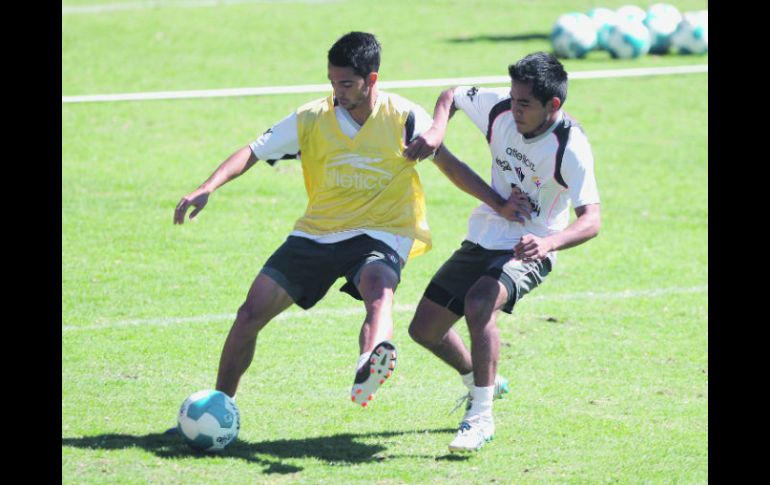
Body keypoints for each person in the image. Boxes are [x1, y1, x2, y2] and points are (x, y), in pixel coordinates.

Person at [173, 32, 529, 413]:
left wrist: (498, 203)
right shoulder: (312, 117)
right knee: (250, 312)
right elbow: (253, 151)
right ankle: (219, 406)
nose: (337, 91)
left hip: (384, 229)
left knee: (378, 290)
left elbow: (450, 166)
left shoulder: (404, 116)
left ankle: (369, 360)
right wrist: (206, 187)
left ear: (371, 79)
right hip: (318, 231)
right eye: (332, 82)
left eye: (346, 83)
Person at [404, 51, 601, 452]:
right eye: (512, 99)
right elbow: (452, 95)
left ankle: (480, 417)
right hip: (485, 234)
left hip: (532, 246)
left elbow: (591, 219)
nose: (514, 109)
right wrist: (438, 130)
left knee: (480, 304)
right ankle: (483, 379)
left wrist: (548, 242)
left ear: (553, 105)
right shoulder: (501, 110)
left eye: (524, 104)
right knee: (423, 330)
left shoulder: (570, 146)